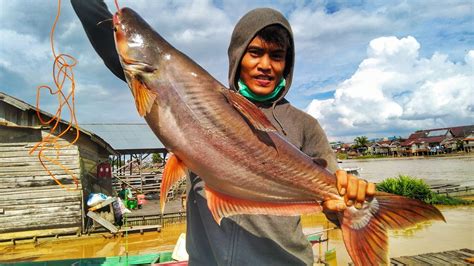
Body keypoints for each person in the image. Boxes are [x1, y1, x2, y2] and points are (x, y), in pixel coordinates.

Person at [71, 2, 375, 265]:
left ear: (287, 65)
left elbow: (337, 203)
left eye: (277, 56)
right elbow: (117, 47)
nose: (265, 65)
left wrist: (349, 204)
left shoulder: (305, 126)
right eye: (255, 53)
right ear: (237, 56)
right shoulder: (195, 99)